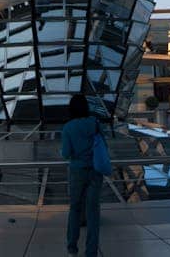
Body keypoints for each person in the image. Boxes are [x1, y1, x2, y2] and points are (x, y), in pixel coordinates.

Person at [61, 94, 103, 257]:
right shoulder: (95, 123)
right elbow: (102, 145)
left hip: (77, 171)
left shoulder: (68, 127)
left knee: (75, 208)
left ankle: (72, 247)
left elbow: (65, 153)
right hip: (95, 171)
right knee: (93, 211)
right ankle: (91, 251)